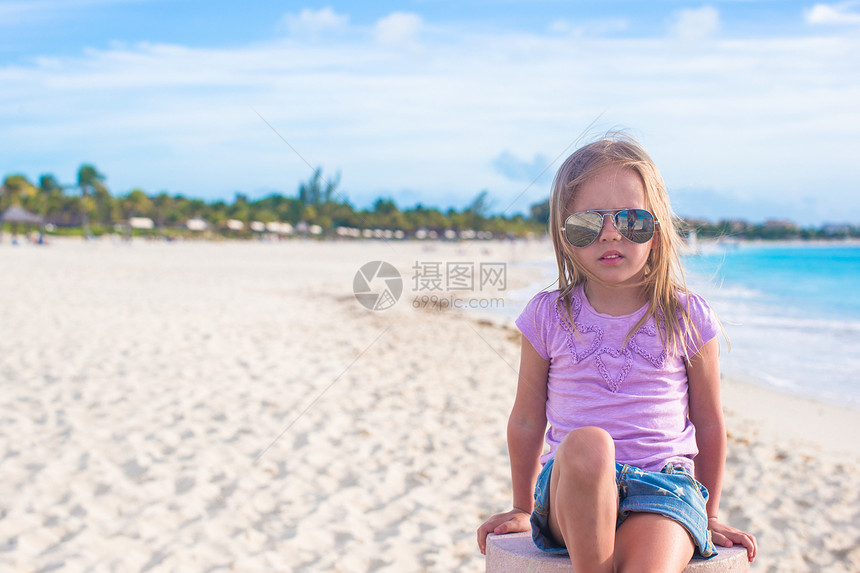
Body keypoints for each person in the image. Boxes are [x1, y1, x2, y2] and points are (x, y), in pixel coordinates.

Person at [477, 133, 757, 572]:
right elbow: (527, 418)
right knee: (590, 444)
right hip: (571, 486)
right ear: (565, 236)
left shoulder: (686, 315)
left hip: (663, 489)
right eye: (588, 225)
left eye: (632, 221)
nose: (611, 234)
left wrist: (712, 511)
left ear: (658, 229)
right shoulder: (548, 315)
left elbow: (708, 421)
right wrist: (519, 503)